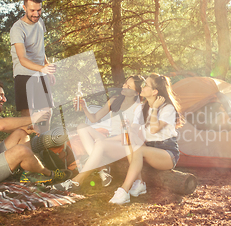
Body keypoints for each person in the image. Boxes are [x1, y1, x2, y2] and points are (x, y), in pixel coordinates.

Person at [0, 79, 66, 185]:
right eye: (1, 95)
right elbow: (2, 125)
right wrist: (33, 118)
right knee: (21, 150)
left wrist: (30, 128)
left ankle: (29, 173)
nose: (4, 99)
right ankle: (49, 174)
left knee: (20, 134)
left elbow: (15, 129)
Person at [56, 75, 145, 191]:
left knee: (100, 143)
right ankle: (102, 167)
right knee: (82, 127)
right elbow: (94, 118)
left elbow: (131, 136)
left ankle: (77, 181)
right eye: (125, 83)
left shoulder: (138, 108)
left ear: (136, 93)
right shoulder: (114, 100)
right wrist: (84, 107)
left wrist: (106, 140)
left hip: (124, 144)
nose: (124, 86)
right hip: (110, 140)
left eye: (129, 86)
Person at [109, 74, 183, 204]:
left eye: (146, 85)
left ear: (155, 91)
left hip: (167, 153)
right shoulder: (142, 108)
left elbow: (154, 129)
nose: (142, 87)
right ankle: (139, 183)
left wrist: (154, 108)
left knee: (139, 151)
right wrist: (126, 126)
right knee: (128, 139)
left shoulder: (167, 108)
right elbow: (133, 132)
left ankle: (124, 190)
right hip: (149, 149)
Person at [10, 0, 55, 129]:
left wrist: (47, 68)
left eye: (39, 10)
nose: (36, 14)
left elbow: (40, 48)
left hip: (41, 73)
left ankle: (45, 144)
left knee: (47, 111)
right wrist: (42, 68)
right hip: (24, 74)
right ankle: (28, 147)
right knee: (28, 117)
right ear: (24, 8)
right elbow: (22, 59)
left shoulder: (40, 22)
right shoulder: (17, 28)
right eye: (32, 10)